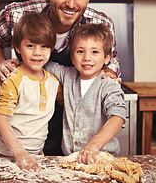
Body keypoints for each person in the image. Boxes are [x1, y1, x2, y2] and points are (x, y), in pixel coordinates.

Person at [0, 0, 120, 155]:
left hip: (73, 123)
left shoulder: (101, 23)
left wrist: (109, 73)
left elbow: (112, 59)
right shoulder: (18, 15)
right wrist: (0, 63)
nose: (71, 4)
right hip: (25, 125)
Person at [44, 24, 126, 164]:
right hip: (71, 159)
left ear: (106, 58)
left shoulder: (108, 84)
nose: (87, 58)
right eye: (80, 51)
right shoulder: (67, 75)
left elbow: (118, 116)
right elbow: (44, 63)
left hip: (102, 159)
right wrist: (19, 62)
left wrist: (94, 145)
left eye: (95, 52)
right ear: (72, 56)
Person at [0, 13, 61, 171]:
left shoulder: (53, 82)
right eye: (30, 46)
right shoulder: (13, 79)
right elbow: (1, 120)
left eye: (44, 46)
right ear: (18, 47)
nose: (38, 52)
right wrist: (20, 153)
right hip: (7, 154)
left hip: (36, 153)